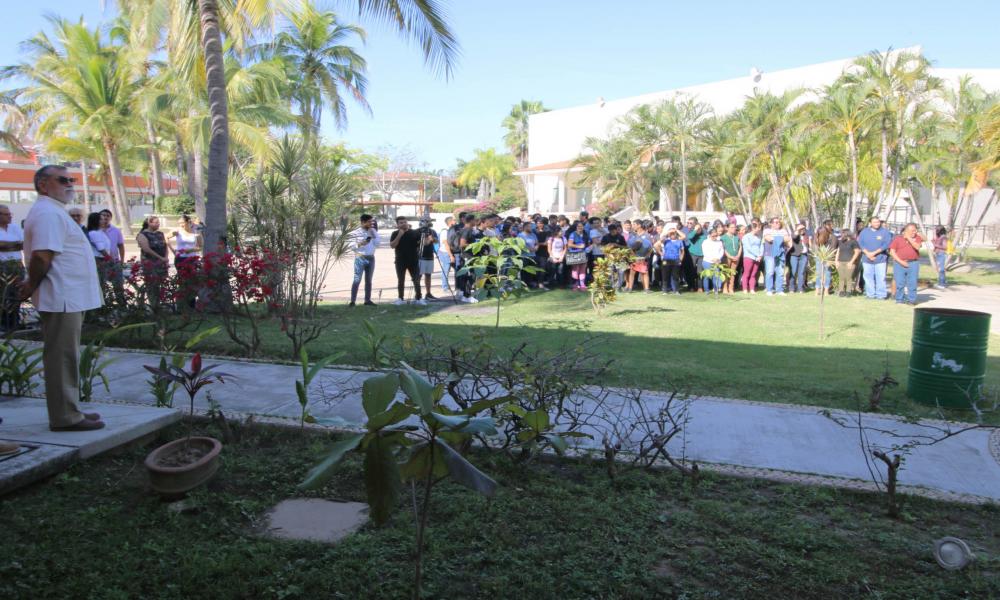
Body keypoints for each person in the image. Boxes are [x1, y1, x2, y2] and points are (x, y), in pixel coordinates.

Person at [19, 165, 104, 431]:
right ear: (43, 184)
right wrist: (31, 284)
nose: (70, 184)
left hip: (68, 297)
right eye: (62, 179)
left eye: (72, 179)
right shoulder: (47, 213)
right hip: (61, 297)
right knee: (61, 357)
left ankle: (70, 409)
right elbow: (42, 256)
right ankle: (65, 416)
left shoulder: (54, 211)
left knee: (66, 355)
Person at [136, 216, 171, 310]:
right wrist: (160, 258)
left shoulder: (160, 234)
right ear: (149, 223)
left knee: (161, 283)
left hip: (161, 263)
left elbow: (165, 246)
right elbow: (146, 249)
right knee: (152, 285)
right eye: (156, 222)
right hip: (150, 263)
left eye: (158, 222)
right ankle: (154, 305)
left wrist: (166, 258)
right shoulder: (142, 234)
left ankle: (161, 304)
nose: (158, 224)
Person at [389, 216, 425, 306]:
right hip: (400, 260)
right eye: (401, 223)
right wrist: (400, 235)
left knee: (416, 280)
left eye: (405, 222)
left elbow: (423, 243)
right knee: (401, 280)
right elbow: (392, 245)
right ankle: (400, 298)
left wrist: (426, 238)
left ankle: (419, 298)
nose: (404, 224)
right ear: (397, 225)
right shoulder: (394, 233)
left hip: (413, 260)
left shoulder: (414, 232)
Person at [0, 204, 25, 331]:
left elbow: (24, 244)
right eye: (6, 214)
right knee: (3, 293)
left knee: (17, 292)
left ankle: (15, 320)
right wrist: (14, 244)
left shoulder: (14, 227)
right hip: (2, 265)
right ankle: (4, 322)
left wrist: (7, 245)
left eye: (10, 214)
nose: (10, 216)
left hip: (17, 264)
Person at [857, 216, 893, 300]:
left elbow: (886, 244)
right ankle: (870, 294)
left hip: (880, 259)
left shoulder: (885, 232)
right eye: (875, 222)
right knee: (868, 277)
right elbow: (860, 243)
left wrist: (874, 253)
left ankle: (881, 295)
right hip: (867, 259)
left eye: (878, 222)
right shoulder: (864, 232)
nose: (877, 223)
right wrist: (867, 253)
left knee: (880, 278)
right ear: (870, 223)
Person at [889, 223, 923, 305]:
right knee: (899, 282)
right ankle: (899, 299)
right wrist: (901, 262)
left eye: (915, 230)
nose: (914, 232)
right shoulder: (897, 239)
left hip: (913, 263)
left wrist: (909, 238)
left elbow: (917, 247)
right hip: (899, 263)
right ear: (906, 231)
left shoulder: (917, 238)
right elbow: (892, 252)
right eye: (912, 231)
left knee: (912, 282)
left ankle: (911, 300)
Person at [349, 214, 378, 306]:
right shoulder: (355, 233)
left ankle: (367, 300)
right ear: (363, 222)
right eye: (369, 222)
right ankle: (353, 301)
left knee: (368, 280)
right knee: (357, 279)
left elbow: (378, 244)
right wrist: (360, 244)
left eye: (372, 221)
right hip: (360, 257)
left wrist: (373, 235)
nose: (371, 223)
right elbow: (351, 246)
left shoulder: (373, 231)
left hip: (371, 258)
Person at [457, 214, 484, 303]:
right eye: (474, 220)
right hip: (467, 257)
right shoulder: (467, 230)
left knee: (467, 276)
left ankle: (464, 294)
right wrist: (475, 245)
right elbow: (462, 244)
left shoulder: (466, 230)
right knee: (470, 276)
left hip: (468, 256)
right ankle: (467, 296)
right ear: (471, 220)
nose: (475, 222)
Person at [86, 212, 115, 289]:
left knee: (103, 281)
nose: (104, 220)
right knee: (100, 281)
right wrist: (109, 258)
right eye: (101, 219)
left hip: (103, 259)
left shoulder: (100, 232)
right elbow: (101, 248)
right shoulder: (94, 233)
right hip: (99, 259)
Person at [762, 217, 789, 296]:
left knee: (780, 272)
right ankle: (769, 290)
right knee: (770, 272)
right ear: (771, 223)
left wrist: (775, 238)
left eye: (778, 222)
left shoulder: (783, 230)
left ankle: (779, 290)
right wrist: (781, 238)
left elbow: (787, 239)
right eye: (776, 222)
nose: (778, 223)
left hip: (781, 254)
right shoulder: (767, 230)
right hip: (770, 253)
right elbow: (768, 238)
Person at [414, 218, 438, 301]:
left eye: (429, 222)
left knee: (428, 275)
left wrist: (433, 239)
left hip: (430, 256)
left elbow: (436, 241)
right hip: (420, 257)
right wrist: (427, 240)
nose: (428, 223)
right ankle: (417, 294)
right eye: (427, 222)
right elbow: (419, 243)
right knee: (418, 276)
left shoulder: (432, 231)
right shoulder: (417, 231)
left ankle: (428, 293)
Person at [625, 221, 652, 292]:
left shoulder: (647, 235)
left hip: (643, 258)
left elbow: (650, 248)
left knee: (645, 273)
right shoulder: (632, 235)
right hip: (634, 258)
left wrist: (645, 257)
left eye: (634, 224)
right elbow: (629, 247)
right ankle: (630, 288)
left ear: (639, 225)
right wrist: (633, 257)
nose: (632, 226)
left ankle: (646, 289)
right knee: (632, 273)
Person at [657, 228, 684, 294]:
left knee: (675, 276)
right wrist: (660, 253)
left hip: (676, 260)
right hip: (666, 260)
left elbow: (682, 252)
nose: (672, 235)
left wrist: (680, 260)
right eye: (671, 234)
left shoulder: (679, 241)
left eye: (673, 234)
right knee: (665, 275)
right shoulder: (666, 241)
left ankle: (676, 290)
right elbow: (657, 244)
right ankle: (665, 290)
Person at [834, 229, 861, 296]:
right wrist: (836, 261)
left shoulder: (853, 242)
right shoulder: (841, 242)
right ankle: (841, 291)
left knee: (848, 277)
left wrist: (851, 262)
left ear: (847, 234)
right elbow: (838, 251)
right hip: (841, 262)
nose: (841, 235)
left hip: (849, 262)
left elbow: (857, 252)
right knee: (841, 277)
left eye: (842, 233)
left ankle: (848, 291)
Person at [700, 227, 725, 294]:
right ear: (709, 235)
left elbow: (722, 251)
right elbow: (705, 252)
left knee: (716, 276)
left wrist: (718, 258)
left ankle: (716, 290)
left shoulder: (719, 242)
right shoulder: (705, 242)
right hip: (707, 261)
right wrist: (712, 259)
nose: (714, 237)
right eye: (713, 236)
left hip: (716, 261)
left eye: (716, 236)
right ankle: (706, 290)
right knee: (707, 276)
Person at [740, 222, 763, 294]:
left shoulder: (758, 237)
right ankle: (745, 289)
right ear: (753, 228)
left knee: (754, 274)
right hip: (749, 257)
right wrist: (757, 255)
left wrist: (760, 255)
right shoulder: (746, 237)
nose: (759, 229)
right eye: (757, 228)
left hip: (757, 258)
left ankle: (752, 288)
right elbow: (748, 248)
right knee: (747, 273)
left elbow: (761, 246)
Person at [566, 220, 590, 291]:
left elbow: (587, 244)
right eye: (579, 226)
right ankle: (575, 284)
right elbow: (569, 244)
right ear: (576, 227)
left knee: (583, 270)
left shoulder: (585, 234)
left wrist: (589, 247)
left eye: (582, 226)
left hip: (584, 253)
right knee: (575, 270)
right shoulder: (573, 234)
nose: (580, 227)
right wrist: (579, 246)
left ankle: (582, 285)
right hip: (574, 254)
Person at [814, 221, 836, 296]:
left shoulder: (832, 237)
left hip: (828, 256)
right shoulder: (817, 236)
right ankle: (817, 289)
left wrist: (830, 258)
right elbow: (815, 246)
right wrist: (818, 254)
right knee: (819, 273)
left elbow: (833, 248)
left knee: (827, 273)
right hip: (819, 256)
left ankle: (826, 290)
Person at [788, 223, 810, 293]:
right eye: (801, 229)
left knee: (802, 272)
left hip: (804, 255)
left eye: (803, 229)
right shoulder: (794, 234)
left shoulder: (806, 235)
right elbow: (794, 237)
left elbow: (808, 244)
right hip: (794, 255)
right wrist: (798, 230)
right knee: (793, 271)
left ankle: (800, 288)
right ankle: (791, 288)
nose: (803, 230)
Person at [721, 222, 741, 294]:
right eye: (732, 227)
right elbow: (723, 248)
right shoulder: (723, 237)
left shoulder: (736, 237)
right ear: (727, 228)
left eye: (734, 227)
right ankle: (725, 288)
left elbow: (740, 247)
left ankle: (731, 288)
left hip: (736, 257)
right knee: (726, 272)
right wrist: (729, 256)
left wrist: (738, 255)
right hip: (727, 257)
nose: (734, 229)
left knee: (732, 273)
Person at [437, 216, 454, 294]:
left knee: (448, 269)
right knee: (446, 269)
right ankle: (445, 287)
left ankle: (447, 286)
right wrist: (450, 255)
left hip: (448, 252)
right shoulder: (445, 231)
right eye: (454, 220)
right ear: (450, 222)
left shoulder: (451, 230)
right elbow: (446, 244)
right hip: (445, 252)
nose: (455, 221)